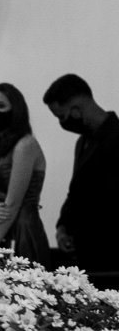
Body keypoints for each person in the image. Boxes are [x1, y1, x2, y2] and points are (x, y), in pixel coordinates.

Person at [42, 74, 119, 270]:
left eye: (62, 116)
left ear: (76, 109)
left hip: (109, 253)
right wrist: (62, 227)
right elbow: (76, 192)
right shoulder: (83, 142)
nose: (63, 123)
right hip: (85, 253)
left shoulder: (116, 138)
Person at [0, 83, 49, 263]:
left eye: (0, 106)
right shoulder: (6, 149)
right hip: (4, 226)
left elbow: (13, 202)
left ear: (15, 110)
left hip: (23, 228)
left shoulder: (26, 145)